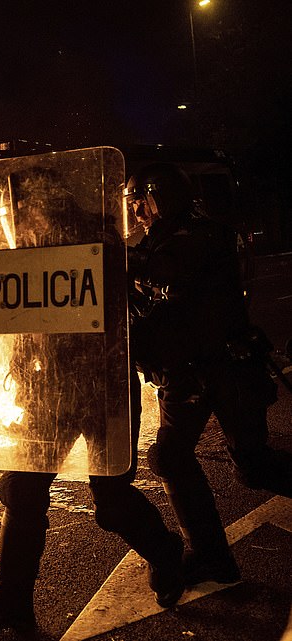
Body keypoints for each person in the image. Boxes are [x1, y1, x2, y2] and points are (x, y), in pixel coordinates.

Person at [0, 166, 186, 634]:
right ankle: (12, 597)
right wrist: (23, 369)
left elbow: (123, 310)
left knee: (111, 500)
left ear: (42, 203)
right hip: (53, 388)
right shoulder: (31, 248)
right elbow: (28, 317)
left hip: (105, 386)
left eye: (17, 210)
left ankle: (166, 553)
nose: (12, 221)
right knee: (24, 490)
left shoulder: (100, 241)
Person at [125, 162, 292, 586]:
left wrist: (107, 256)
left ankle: (210, 557)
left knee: (253, 467)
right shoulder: (159, 242)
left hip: (226, 371)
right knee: (169, 457)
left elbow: (169, 272)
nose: (136, 213)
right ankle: (212, 558)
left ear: (157, 197)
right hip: (184, 376)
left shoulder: (201, 236)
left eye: (138, 202)